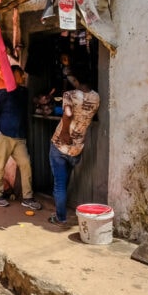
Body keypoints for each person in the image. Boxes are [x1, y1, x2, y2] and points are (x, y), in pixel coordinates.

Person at [47, 77, 100, 227]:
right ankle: (61, 211)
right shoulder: (96, 97)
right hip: (77, 148)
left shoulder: (69, 95)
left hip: (60, 146)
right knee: (64, 182)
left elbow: (68, 113)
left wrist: (64, 132)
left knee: (59, 185)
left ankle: (60, 217)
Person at [0, 65, 40, 209]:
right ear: (11, 75)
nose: (23, 77)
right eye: (20, 74)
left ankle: (28, 198)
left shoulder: (24, 92)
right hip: (3, 135)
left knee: (26, 164)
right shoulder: (1, 92)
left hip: (19, 137)